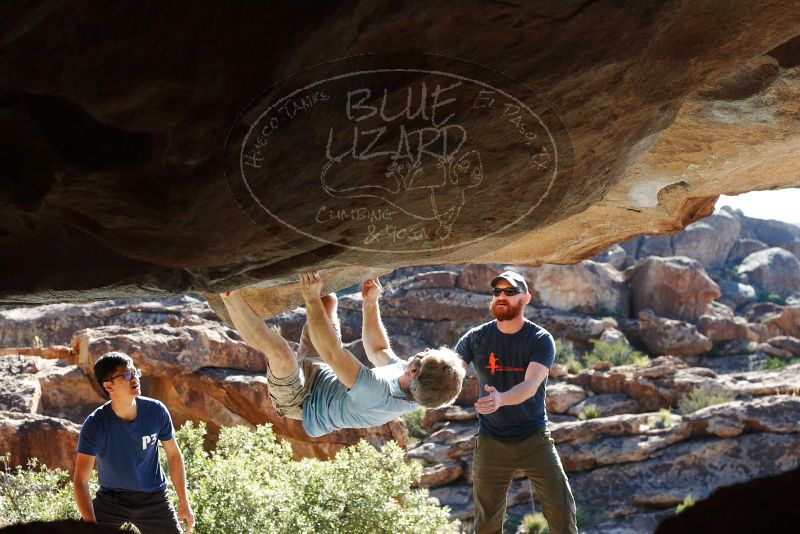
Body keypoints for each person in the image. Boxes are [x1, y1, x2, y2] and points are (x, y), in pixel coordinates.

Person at [220, 272, 464, 437]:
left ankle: (226, 292)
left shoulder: (377, 394)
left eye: (426, 355)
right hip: (322, 370)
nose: (425, 350)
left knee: (282, 355)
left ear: (414, 372)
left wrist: (310, 298)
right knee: (329, 300)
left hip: (301, 398)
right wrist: (370, 303)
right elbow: (378, 350)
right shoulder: (413, 385)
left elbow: (332, 352)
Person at [455, 271, 577, 534]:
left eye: (509, 292)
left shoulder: (540, 339)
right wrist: (432, 369)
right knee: (486, 522)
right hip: (491, 440)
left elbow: (530, 386)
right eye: (497, 292)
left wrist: (500, 399)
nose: (501, 296)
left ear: (526, 299)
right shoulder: (476, 338)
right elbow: (454, 370)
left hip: (534, 437)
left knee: (561, 508)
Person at [73, 352, 195, 533]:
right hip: (111, 500)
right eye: (126, 375)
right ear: (109, 385)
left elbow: (174, 454)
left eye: (135, 372)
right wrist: (91, 524)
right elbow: (80, 481)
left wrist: (184, 501)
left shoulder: (156, 411)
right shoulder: (95, 424)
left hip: (154, 499)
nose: (135, 378)